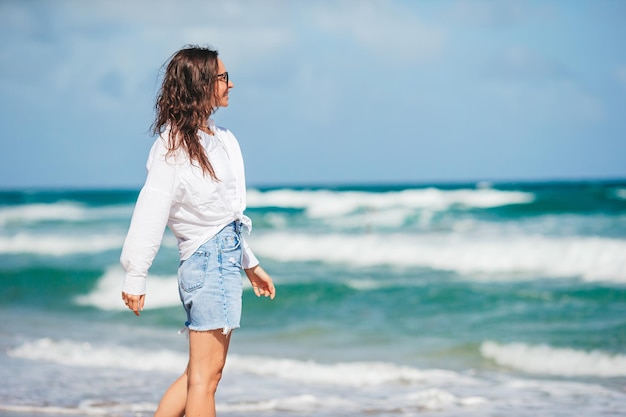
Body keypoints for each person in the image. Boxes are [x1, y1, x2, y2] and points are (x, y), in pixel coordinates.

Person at [120, 45, 276, 417]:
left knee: (199, 374)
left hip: (218, 259)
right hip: (208, 263)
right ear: (202, 84)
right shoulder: (174, 146)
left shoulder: (220, 138)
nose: (230, 84)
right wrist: (136, 274)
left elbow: (225, 216)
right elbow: (151, 209)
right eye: (223, 78)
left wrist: (249, 263)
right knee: (206, 378)